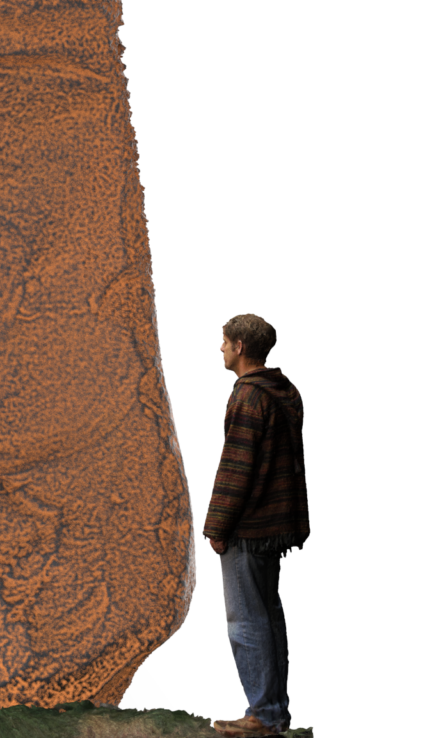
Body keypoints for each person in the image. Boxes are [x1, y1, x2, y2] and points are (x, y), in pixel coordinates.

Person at [205, 314, 309, 738]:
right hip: (276, 523)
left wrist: (218, 526)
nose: (221, 349)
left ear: (241, 348)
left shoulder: (248, 397)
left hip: (249, 527)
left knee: (246, 620)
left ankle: (264, 715)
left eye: (225, 342)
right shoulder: (286, 391)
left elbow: (237, 467)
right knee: (268, 617)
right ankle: (274, 713)